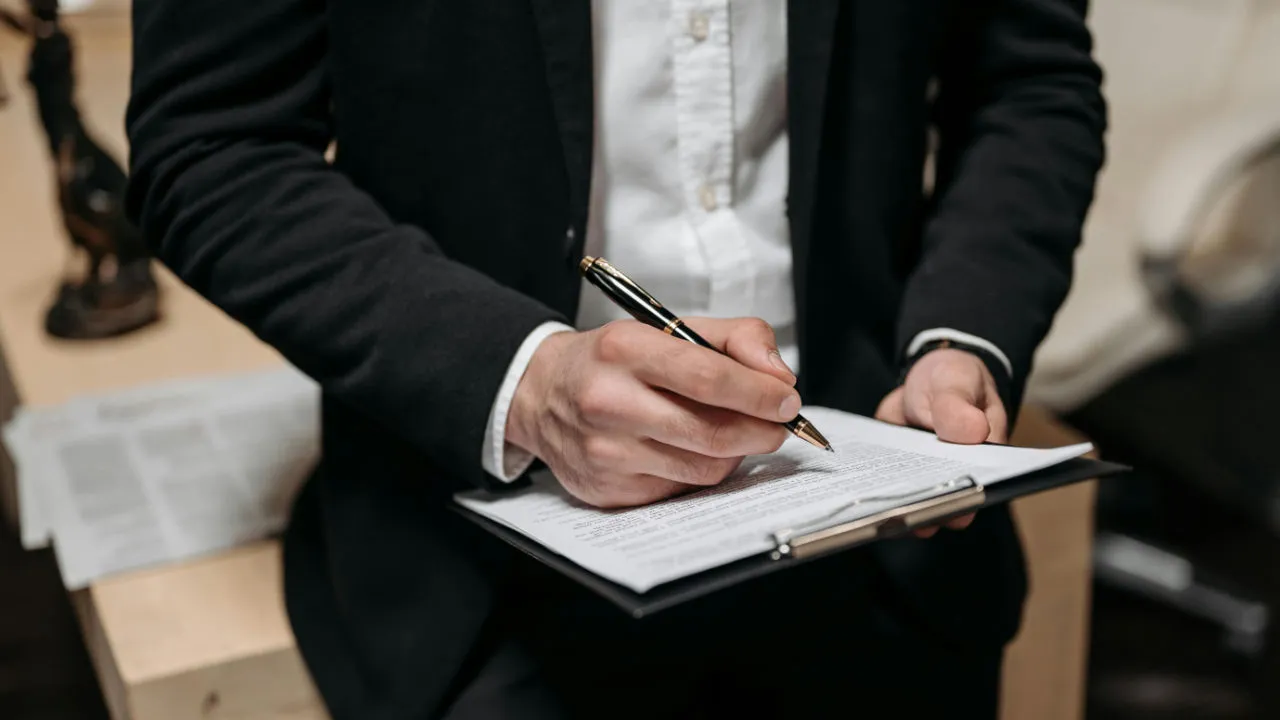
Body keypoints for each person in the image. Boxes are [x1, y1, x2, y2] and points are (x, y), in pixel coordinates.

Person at [125, 1, 1106, 717]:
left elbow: (1027, 80)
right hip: (489, 570)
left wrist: (961, 332)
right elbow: (214, 145)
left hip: (878, 529)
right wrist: (519, 378)